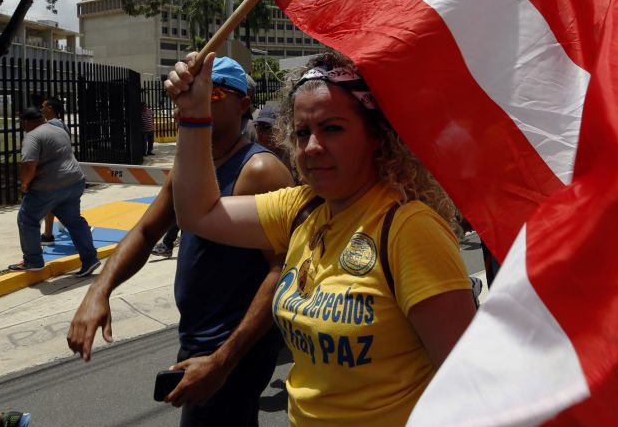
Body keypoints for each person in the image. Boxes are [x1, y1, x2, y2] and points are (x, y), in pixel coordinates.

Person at [165, 50, 476, 425]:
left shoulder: (409, 229)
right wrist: (193, 115)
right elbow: (198, 214)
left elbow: (466, 389)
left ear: (376, 136)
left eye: (333, 128)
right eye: (301, 132)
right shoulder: (301, 209)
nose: (312, 147)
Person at [68, 57, 293, 425]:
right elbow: (145, 232)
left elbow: (281, 271)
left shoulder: (259, 170)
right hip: (198, 336)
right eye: (186, 91)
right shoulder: (190, 170)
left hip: (236, 346)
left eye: (212, 91)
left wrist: (223, 360)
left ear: (243, 105)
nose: (195, 98)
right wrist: (99, 290)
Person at [9, 107, 99, 276]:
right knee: (74, 221)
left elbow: (28, 164)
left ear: (26, 122)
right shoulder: (59, 129)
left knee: (27, 218)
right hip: (74, 181)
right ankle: (90, 259)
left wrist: (24, 185)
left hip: (48, 187)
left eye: (22, 124)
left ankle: (33, 260)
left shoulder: (32, 136)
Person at [39, 96, 69, 245]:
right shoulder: (61, 124)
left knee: (49, 204)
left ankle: (48, 234)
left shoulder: (52, 125)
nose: (41, 109)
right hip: (64, 170)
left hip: (55, 171)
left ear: (50, 108)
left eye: (43, 106)